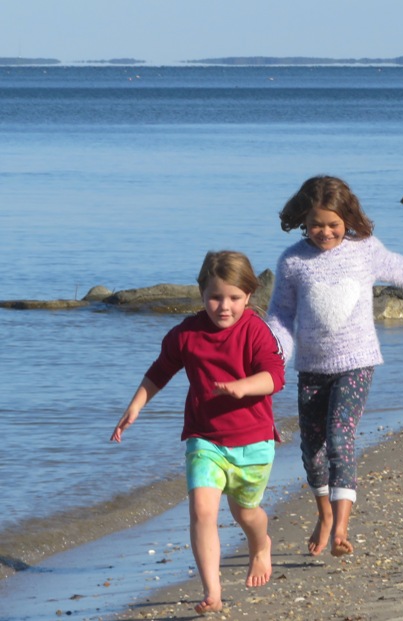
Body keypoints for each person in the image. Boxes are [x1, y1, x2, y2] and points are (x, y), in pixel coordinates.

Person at [266, 175, 403, 558]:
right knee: (312, 451)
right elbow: (282, 315)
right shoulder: (292, 261)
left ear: (348, 219)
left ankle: (341, 528)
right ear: (303, 219)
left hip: (357, 362)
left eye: (334, 225)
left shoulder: (365, 249)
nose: (325, 232)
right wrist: (274, 353)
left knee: (339, 438)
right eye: (317, 224)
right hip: (311, 366)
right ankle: (323, 514)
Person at [111, 250, 285, 615]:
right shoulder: (187, 334)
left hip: (254, 441)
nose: (224, 307)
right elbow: (160, 370)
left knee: (245, 512)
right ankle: (212, 589)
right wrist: (136, 404)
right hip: (204, 440)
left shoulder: (255, 330)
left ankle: (260, 544)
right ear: (202, 293)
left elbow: (275, 376)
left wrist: (243, 386)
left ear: (249, 295)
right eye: (215, 297)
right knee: (202, 511)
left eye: (234, 298)